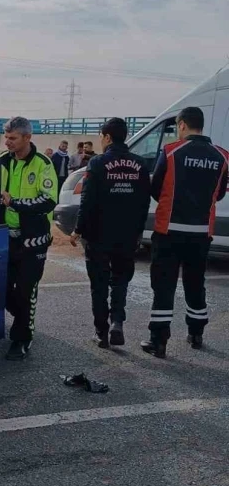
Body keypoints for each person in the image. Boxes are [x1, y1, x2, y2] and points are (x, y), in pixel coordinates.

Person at [141, 106, 228, 357]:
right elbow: (220, 192)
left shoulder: (170, 152)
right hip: (201, 232)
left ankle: (158, 340)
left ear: (181, 125)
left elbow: (155, 187)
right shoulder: (222, 156)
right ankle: (196, 333)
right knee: (195, 282)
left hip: (169, 230)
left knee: (164, 284)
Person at [70, 118, 150, 347]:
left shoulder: (97, 163)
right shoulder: (140, 164)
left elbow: (87, 200)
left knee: (99, 284)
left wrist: (78, 229)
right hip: (126, 234)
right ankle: (117, 321)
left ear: (106, 137)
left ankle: (101, 331)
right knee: (120, 280)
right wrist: (137, 233)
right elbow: (144, 202)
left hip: (98, 235)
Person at [0, 116, 59, 361]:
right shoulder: (2, 162)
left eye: (12, 138)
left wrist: (14, 203)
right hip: (3, 238)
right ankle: (22, 317)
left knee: (26, 290)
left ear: (27, 137)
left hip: (32, 241)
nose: (7, 142)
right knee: (0, 288)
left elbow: (48, 201)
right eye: (6, 137)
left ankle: (22, 337)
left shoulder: (43, 164)